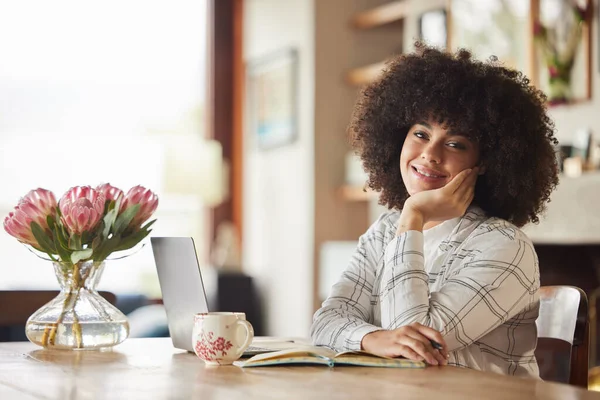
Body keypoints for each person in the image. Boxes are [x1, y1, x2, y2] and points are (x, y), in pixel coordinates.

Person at [310, 42, 559, 378]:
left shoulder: (504, 245)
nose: (430, 153)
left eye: (455, 143)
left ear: (484, 162)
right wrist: (371, 338)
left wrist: (413, 214)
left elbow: (415, 348)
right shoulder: (385, 231)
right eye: (421, 133)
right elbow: (325, 323)